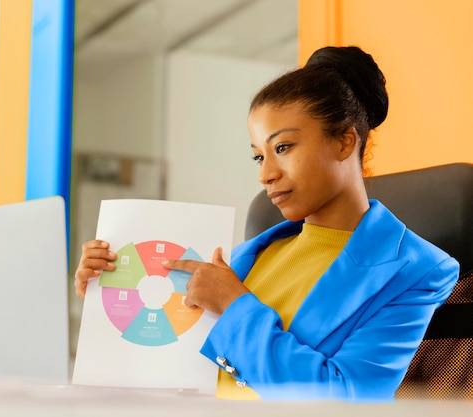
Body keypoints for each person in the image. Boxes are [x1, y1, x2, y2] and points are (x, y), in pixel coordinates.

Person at [74, 46, 459, 402]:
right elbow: (165, 358)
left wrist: (235, 304)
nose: (266, 175)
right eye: (259, 157)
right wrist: (106, 292)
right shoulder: (242, 258)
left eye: (283, 148)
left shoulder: (417, 271)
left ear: (344, 142)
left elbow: (346, 399)